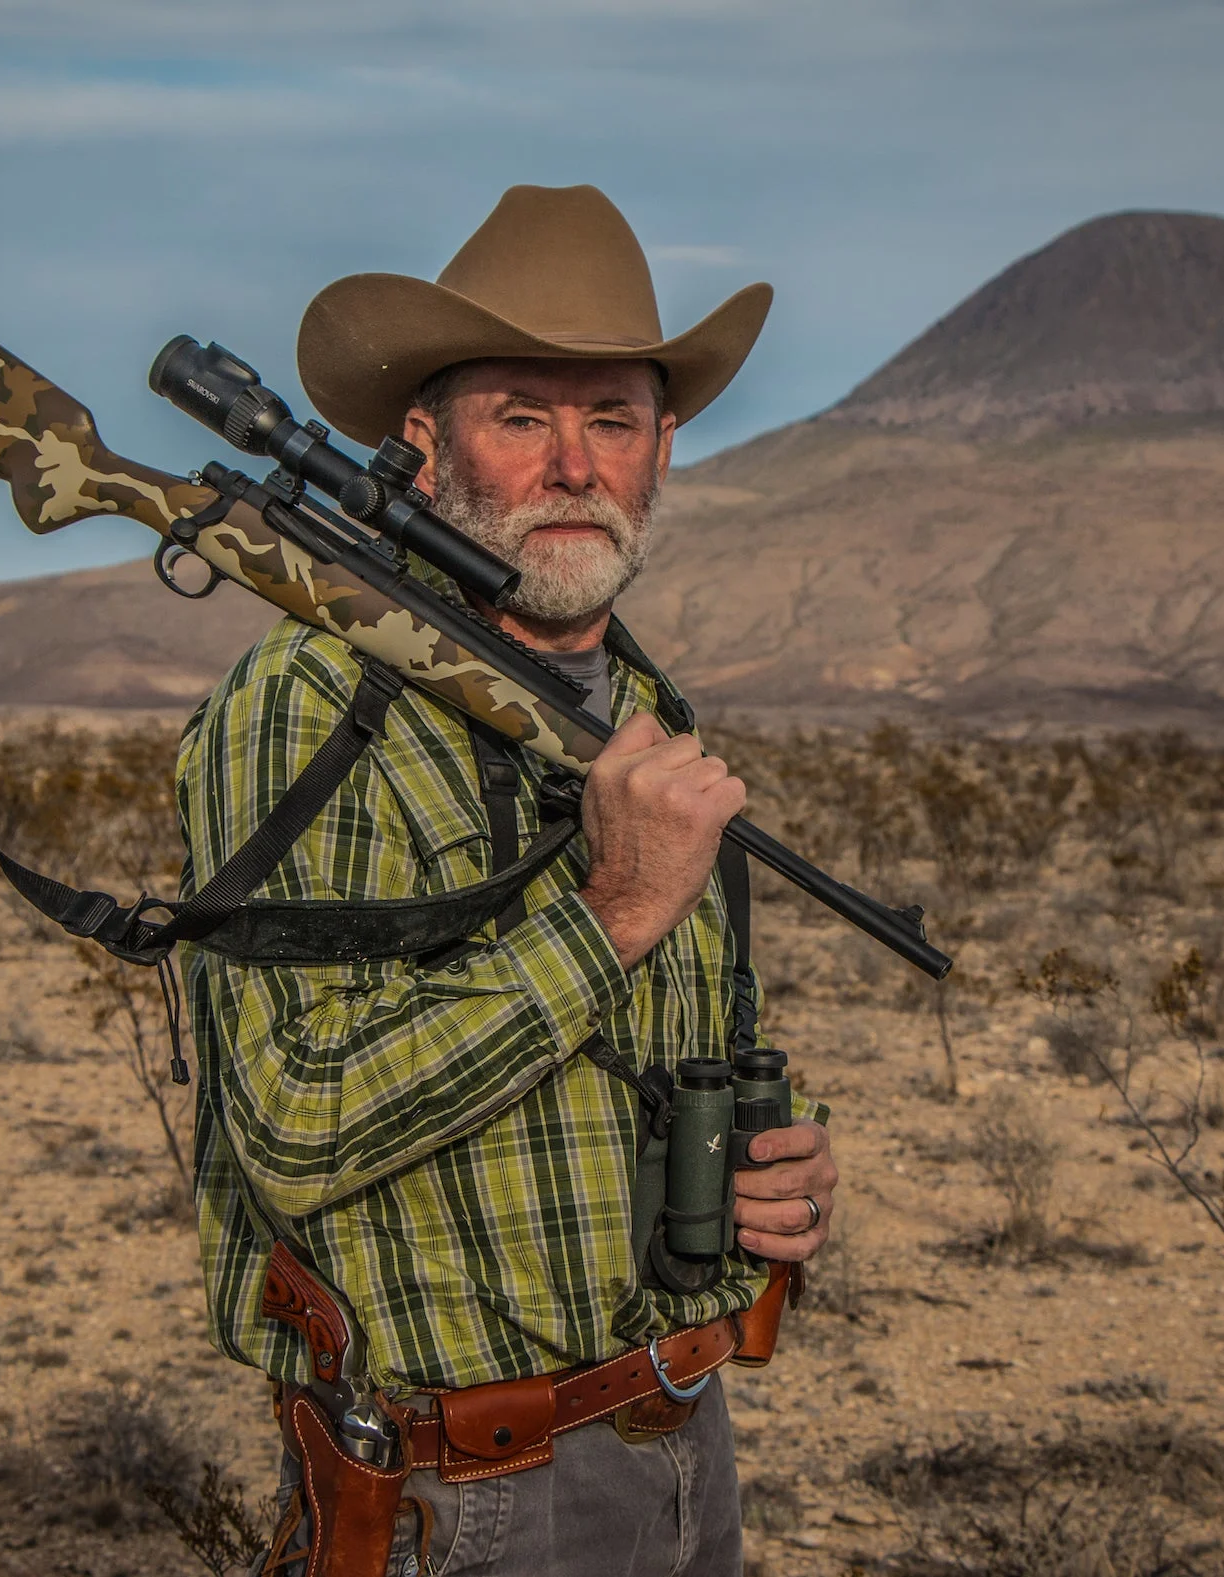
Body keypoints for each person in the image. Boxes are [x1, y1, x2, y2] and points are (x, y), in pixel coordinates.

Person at [174, 185, 839, 1577]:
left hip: (682, 1439)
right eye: (521, 416)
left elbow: (672, 1063)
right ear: (422, 444)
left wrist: (779, 1185)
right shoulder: (310, 702)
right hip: (459, 1487)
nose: (574, 465)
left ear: (665, 449)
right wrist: (616, 915)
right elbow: (292, 1122)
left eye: (613, 418)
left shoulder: (650, 713)